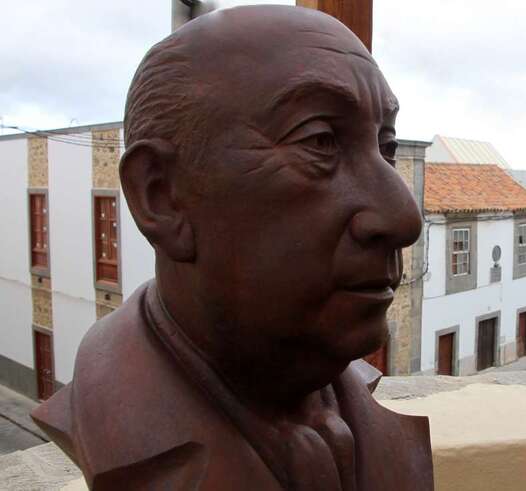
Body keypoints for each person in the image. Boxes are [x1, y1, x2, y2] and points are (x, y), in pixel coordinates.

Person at [31, 5, 432, 490]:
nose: (403, 219)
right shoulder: (126, 436)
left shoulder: (359, 415)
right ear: (163, 196)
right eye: (320, 141)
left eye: (385, 147)